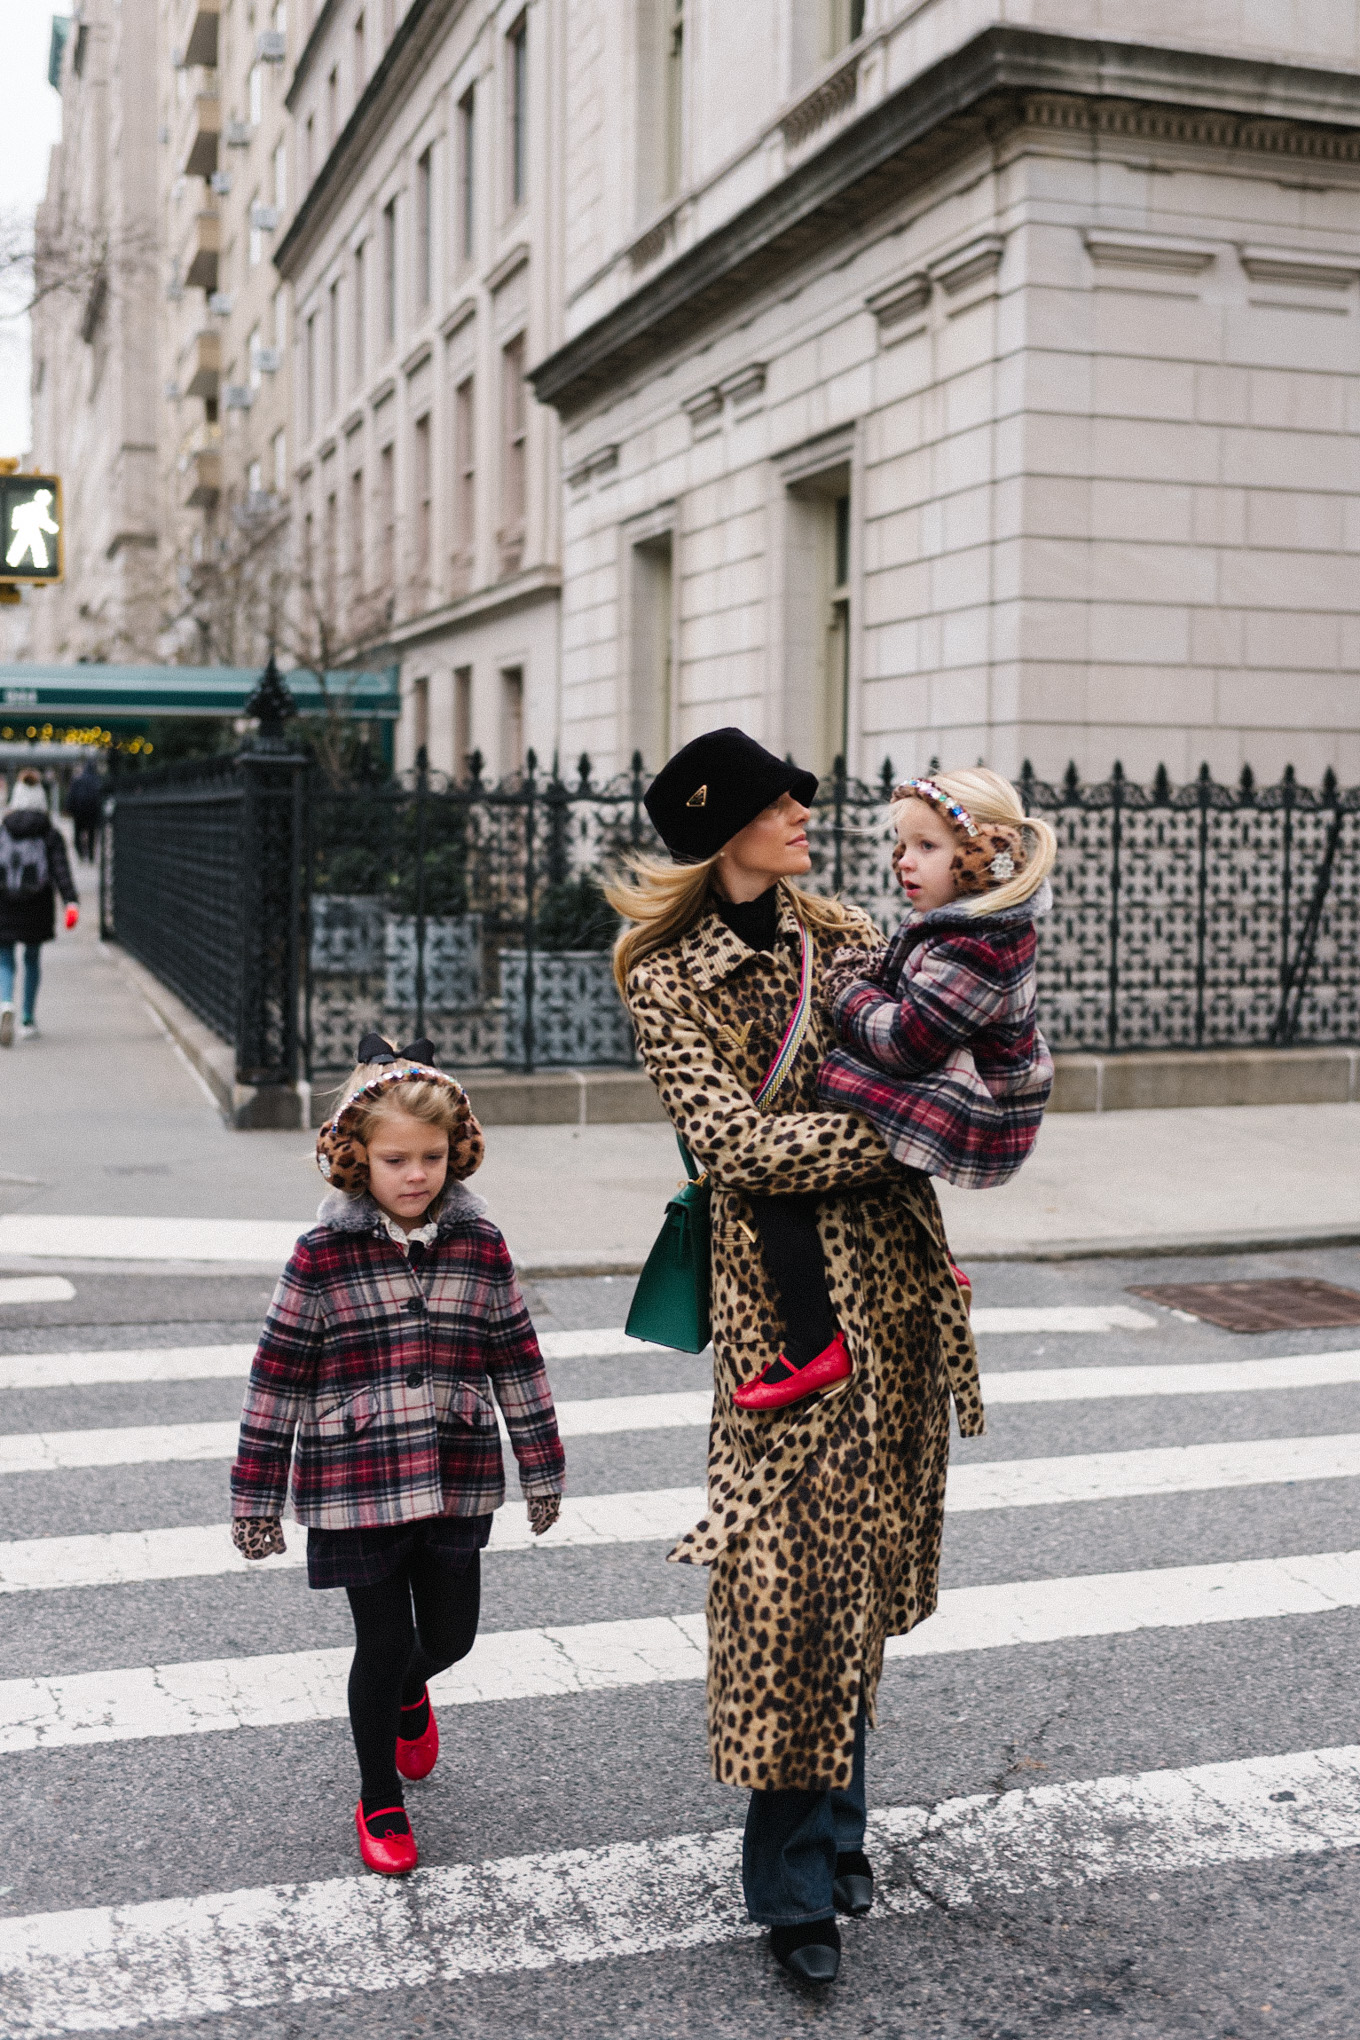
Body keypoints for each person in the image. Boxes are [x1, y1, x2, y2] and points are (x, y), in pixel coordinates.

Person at [608, 728, 981, 1986]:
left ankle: (837, 1831)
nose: (807, 817)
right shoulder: (664, 978)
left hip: (894, 1283)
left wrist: (916, 1103)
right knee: (789, 1592)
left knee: (863, 1569)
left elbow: (932, 1052)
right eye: (782, 805)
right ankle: (790, 1893)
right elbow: (734, 1148)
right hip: (786, 1304)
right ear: (727, 828)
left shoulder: (846, 931)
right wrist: (890, 1135)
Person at [228, 1033, 566, 1877]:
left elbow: (515, 1356)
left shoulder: (481, 1247)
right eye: (394, 1159)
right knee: (379, 1645)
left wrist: (542, 1467)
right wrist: (255, 1497)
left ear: (457, 1154)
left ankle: (412, 1689)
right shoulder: (320, 1257)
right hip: (354, 1482)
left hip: (456, 1474)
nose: (415, 1175)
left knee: (450, 1637)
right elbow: (277, 1377)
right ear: (356, 1161)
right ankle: (379, 1794)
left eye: (432, 1157)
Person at [816, 767, 1058, 1184]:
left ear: (981, 856)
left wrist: (845, 992)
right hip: (946, 1079)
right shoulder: (958, 926)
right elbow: (903, 980)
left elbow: (904, 1043)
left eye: (926, 846)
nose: (905, 861)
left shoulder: (979, 947)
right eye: (903, 845)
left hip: (974, 1113)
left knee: (824, 1074)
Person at [0, 769, 78, 1046]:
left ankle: (5, 1002)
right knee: (32, 959)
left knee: (5, 959)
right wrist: (71, 901)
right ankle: (27, 1019)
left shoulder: (3, 829)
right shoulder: (49, 833)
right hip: (37, 904)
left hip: (5, 902)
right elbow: (60, 870)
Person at [66, 762, 103, 864]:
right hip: (92, 812)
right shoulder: (96, 780)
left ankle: (81, 854)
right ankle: (91, 854)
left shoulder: (77, 780)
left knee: (77, 833)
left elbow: (71, 795)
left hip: (78, 812)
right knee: (92, 834)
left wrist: (69, 809)